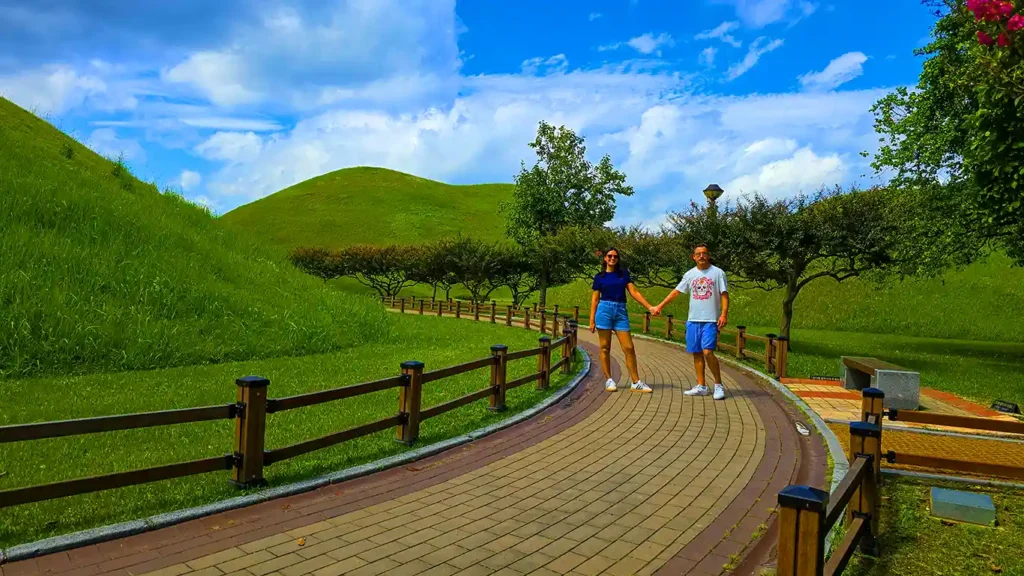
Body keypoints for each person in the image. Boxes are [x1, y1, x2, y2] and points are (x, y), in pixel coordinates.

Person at [651, 244, 730, 400]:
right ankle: (701, 386)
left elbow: (724, 294)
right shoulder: (690, 274)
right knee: (697, 353)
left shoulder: (718, 273)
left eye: (704, 253)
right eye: (698, 254)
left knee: (708, 352)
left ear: (708, 255)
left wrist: (723, 314)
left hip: (710, 320)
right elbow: (676, 292)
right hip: (693, 319)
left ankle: (718, 385)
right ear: (693, 257)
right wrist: (660, 306)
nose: (701, 256)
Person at [590, 247, 657, 393]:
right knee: (604, 347)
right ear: (605, 258)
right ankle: (609, 380)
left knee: (629, 347)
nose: (612, 258)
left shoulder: (623, 274)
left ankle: (636, 382)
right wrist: (591, 319)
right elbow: (595, 299)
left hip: (620, 311)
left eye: (615, 256)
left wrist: (649, 306)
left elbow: (634, 292)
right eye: (609, 256)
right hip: (604, 310)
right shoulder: (599, 277)